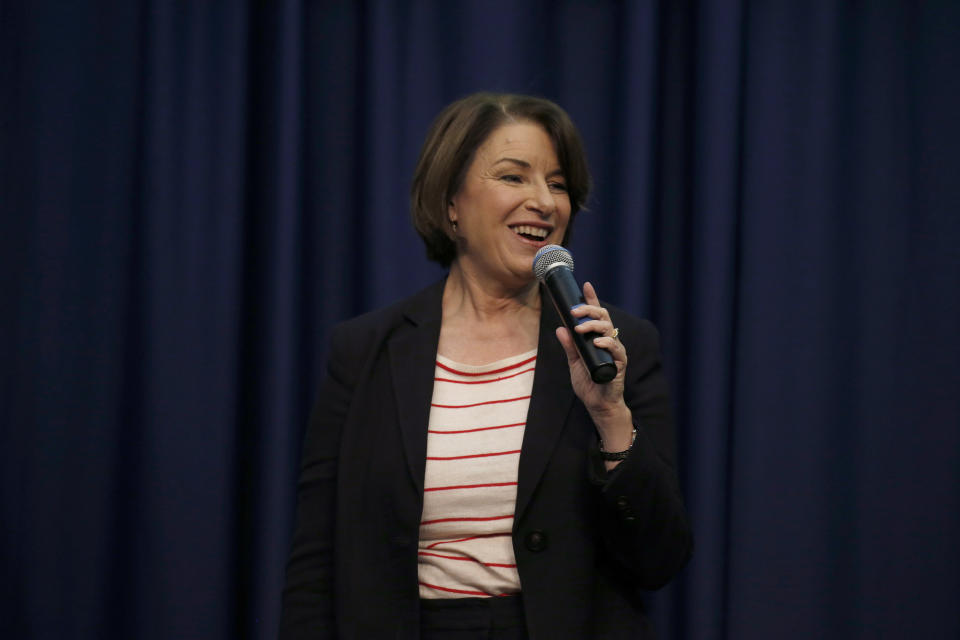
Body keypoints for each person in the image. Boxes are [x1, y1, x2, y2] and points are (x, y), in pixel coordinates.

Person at [279, 92, 692, 639]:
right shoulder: (364, 351)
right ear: (451, 203)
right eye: (514, 177)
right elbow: (316, 561)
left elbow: (659, 559)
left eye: (559, 183)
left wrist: (612, 415)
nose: (544, 201)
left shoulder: (613, 346)